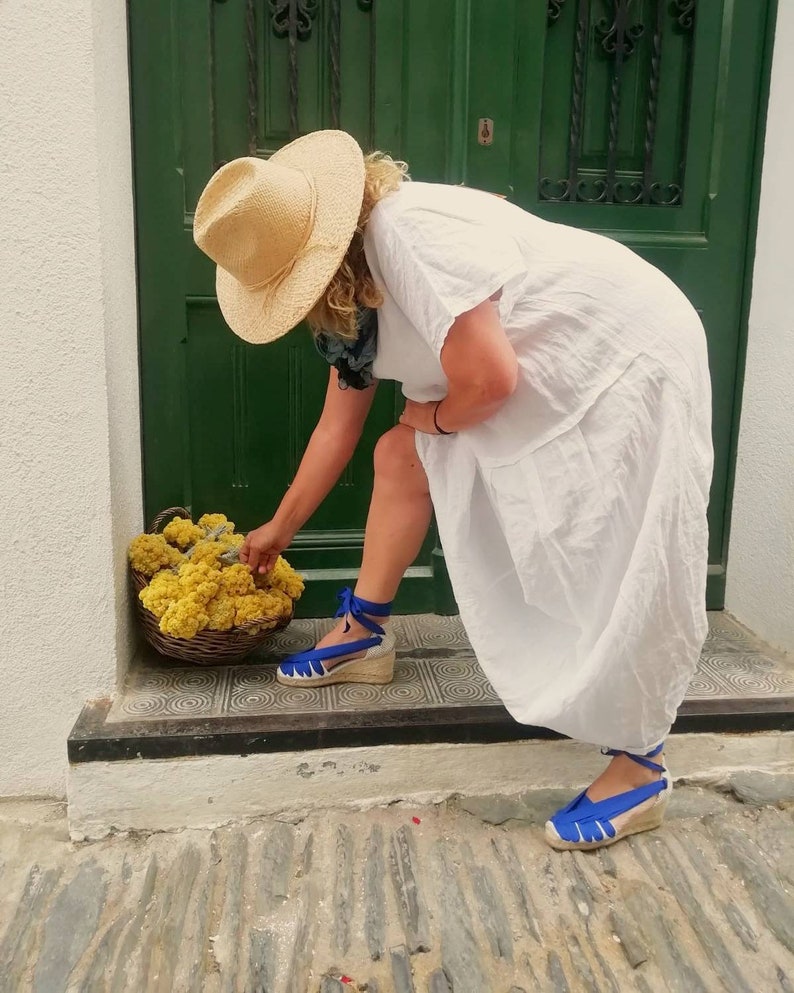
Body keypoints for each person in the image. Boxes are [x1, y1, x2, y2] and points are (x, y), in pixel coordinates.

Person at [193, 130, 713, 851]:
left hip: (620, 354)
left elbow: (491, 379)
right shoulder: (354, 288)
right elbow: (335, 430)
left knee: (618, 544)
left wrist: (429, 415)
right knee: (399, 453)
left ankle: (641, 766)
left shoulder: (408, 237)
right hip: (544, 366)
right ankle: (364, 635)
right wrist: (279, 529)